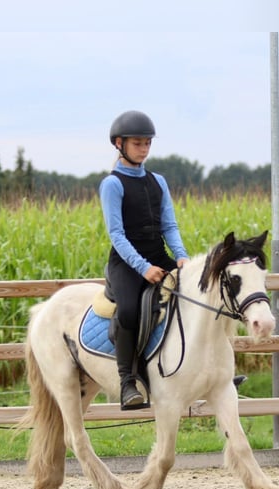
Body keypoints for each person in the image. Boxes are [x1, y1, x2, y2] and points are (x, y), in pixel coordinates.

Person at [99, 110, 190, 410]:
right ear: (120, 144)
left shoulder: (158, 182)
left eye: (147, 143)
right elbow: (117, 234)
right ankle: (128, 381)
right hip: (126, 263)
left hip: (157, 255)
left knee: (194, 298)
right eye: (138, 143)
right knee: (128, 311)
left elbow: (170, 226)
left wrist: (180, 257)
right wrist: (143, 268)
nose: (144, 149)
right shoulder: (112, 184)